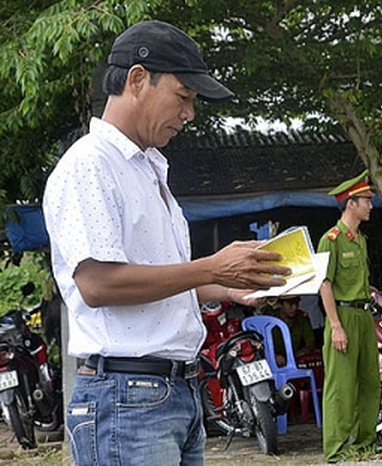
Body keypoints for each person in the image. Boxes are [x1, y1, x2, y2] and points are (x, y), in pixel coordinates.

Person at [42, 20, 290, 466]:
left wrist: (229, 286)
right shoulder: (90, 165)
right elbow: (98, 284)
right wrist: (212, 268)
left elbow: (159, 282)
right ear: (138, 80)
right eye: (183, 97)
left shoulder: (149, 168)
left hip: (174, 393)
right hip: (127, 398)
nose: (189, 114)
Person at [316, 170, 381, 462]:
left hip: (364, 316)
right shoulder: (330, 239)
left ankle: (364, 448)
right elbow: (324, 284)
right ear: (350, 203)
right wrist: (335, 326)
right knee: (340, 387)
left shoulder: (360, 239)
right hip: (341, 316)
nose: (370, 205)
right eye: (366, 200)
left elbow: (352, 279)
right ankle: (337, 452)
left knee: (370, 382)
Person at [269, 295, 317, 366]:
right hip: (275, 360)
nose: (294, 307)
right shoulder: (270, 319)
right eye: (290, 304)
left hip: (297, 359)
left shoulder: (302, 319)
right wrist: (273, 355)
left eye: (296, 304)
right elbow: (262, 345)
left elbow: (311, 342)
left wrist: (304, 351)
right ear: (281, 304)